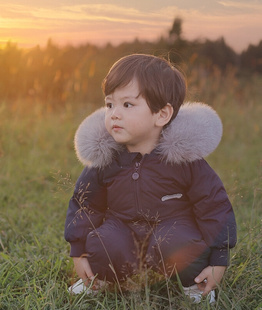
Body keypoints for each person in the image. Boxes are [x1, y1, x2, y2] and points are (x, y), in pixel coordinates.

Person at [64, 54, 237, 303]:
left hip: (172, 230)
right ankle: (99, 277)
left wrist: (219, 259)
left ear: (162, 114)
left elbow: (214, 205)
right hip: (122, 228)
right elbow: (85, 203)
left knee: (177, 242)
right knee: (105, 242)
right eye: (109, 104)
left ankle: (193, 283)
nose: (113, 114)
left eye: (127, 105)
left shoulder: (183, 160)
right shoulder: (107, 158)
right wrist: (79, 251)